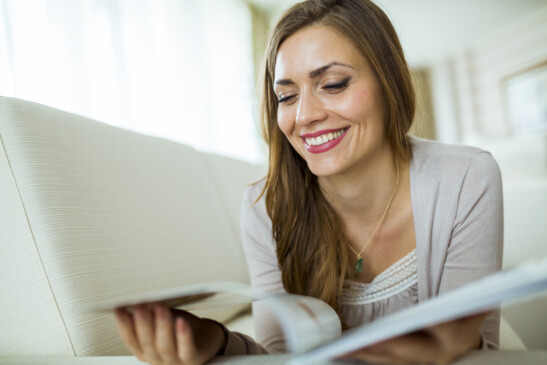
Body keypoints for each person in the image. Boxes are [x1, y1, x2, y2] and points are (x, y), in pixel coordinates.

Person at [114, 0, 504, 364]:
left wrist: (448, 346)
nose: (304, 116)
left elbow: (480, 350)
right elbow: (279, 357)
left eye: (333, 84)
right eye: (286, 96)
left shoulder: (465, 178)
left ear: (390, 83)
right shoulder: (265, 208)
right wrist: (215, 343)